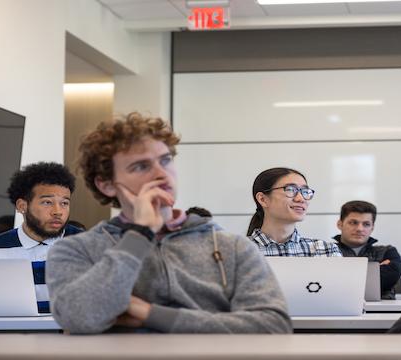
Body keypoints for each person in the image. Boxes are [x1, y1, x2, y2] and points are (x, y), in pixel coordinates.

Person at [46, 112, 292, 334]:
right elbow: (79, 318)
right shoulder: (76, 249)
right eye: (141, 166)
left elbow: (272, 326)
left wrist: (150, 314)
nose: (161, 174)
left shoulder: (233, 247)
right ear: (107, 184)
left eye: (165, 161)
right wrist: (140, 234)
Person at [0, 162, 82, 313]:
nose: (58, 211)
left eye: (64, 203)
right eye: (47, 202)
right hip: (10, 334)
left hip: (73, 334)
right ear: (22, 206)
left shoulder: (87, 245)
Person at [247, 167, 341, 257]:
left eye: (305, 191)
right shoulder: (240, 251)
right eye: (290, 190)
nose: (301, 199)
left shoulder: (325, 251)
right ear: (263, 199)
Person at [333, 200, 401, 299]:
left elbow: (390, 276)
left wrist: (341, 275)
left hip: (382, 311)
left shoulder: (388, 252)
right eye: (353, 223)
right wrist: (374, 271)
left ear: (372, 228)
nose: (360, 229)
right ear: (340, 224)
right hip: (338, 309)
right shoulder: (326, 251)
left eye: (366, 224)